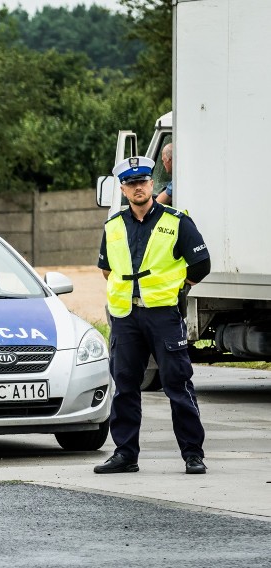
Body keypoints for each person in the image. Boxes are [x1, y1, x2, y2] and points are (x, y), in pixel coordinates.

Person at [95, 156, 211, 475]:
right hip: (126, 317)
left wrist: (176, 287)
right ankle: (125, 454)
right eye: (131, 184)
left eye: (143, 182)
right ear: (123, 189)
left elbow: (201, 264)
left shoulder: (176, 221)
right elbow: (107, 269)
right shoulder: (114, 225)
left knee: (177, 384)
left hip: (163, 316)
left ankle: (192, 454)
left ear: (152, 184)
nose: (138, 188)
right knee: (126, 386)